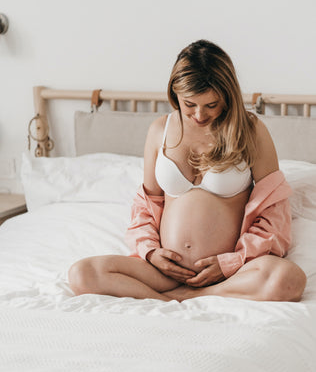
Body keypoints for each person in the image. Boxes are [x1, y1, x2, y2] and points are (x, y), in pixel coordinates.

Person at [68, 39, 306, 302]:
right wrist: (150, 253)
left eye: (211, 105)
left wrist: (232, 262)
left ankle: (199, 295)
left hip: (229, 272)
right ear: (175, 93)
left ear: (227, 95)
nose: (200, 115)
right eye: (189, 104)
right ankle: (172, 297)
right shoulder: (160, 130)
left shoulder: (250, 130)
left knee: (289, 279)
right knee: (82, 273)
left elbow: (274, 211)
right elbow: (146, 206)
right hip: (165, 273)